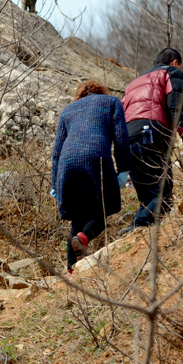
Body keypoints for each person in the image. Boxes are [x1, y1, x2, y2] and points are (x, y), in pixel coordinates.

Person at [51, 80, 131, 275]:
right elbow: (121, 138)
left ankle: (71, 271)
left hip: (66, 165)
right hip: (96, 158)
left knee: (77, 218)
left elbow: (56, 151)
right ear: (101, 91)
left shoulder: (67, 111)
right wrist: (124, 170)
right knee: (103, 210)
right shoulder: (111, 102)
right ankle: (85, 237)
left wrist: (55, 183)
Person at [120, 47, 183, 234]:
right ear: (175, 62)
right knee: (163, 191)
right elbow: (177, 104)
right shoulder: (172, 73)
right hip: (150, 130)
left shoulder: (133, 83)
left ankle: (138, 232)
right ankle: (137, 227)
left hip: (127, 136)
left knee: (147, 194)